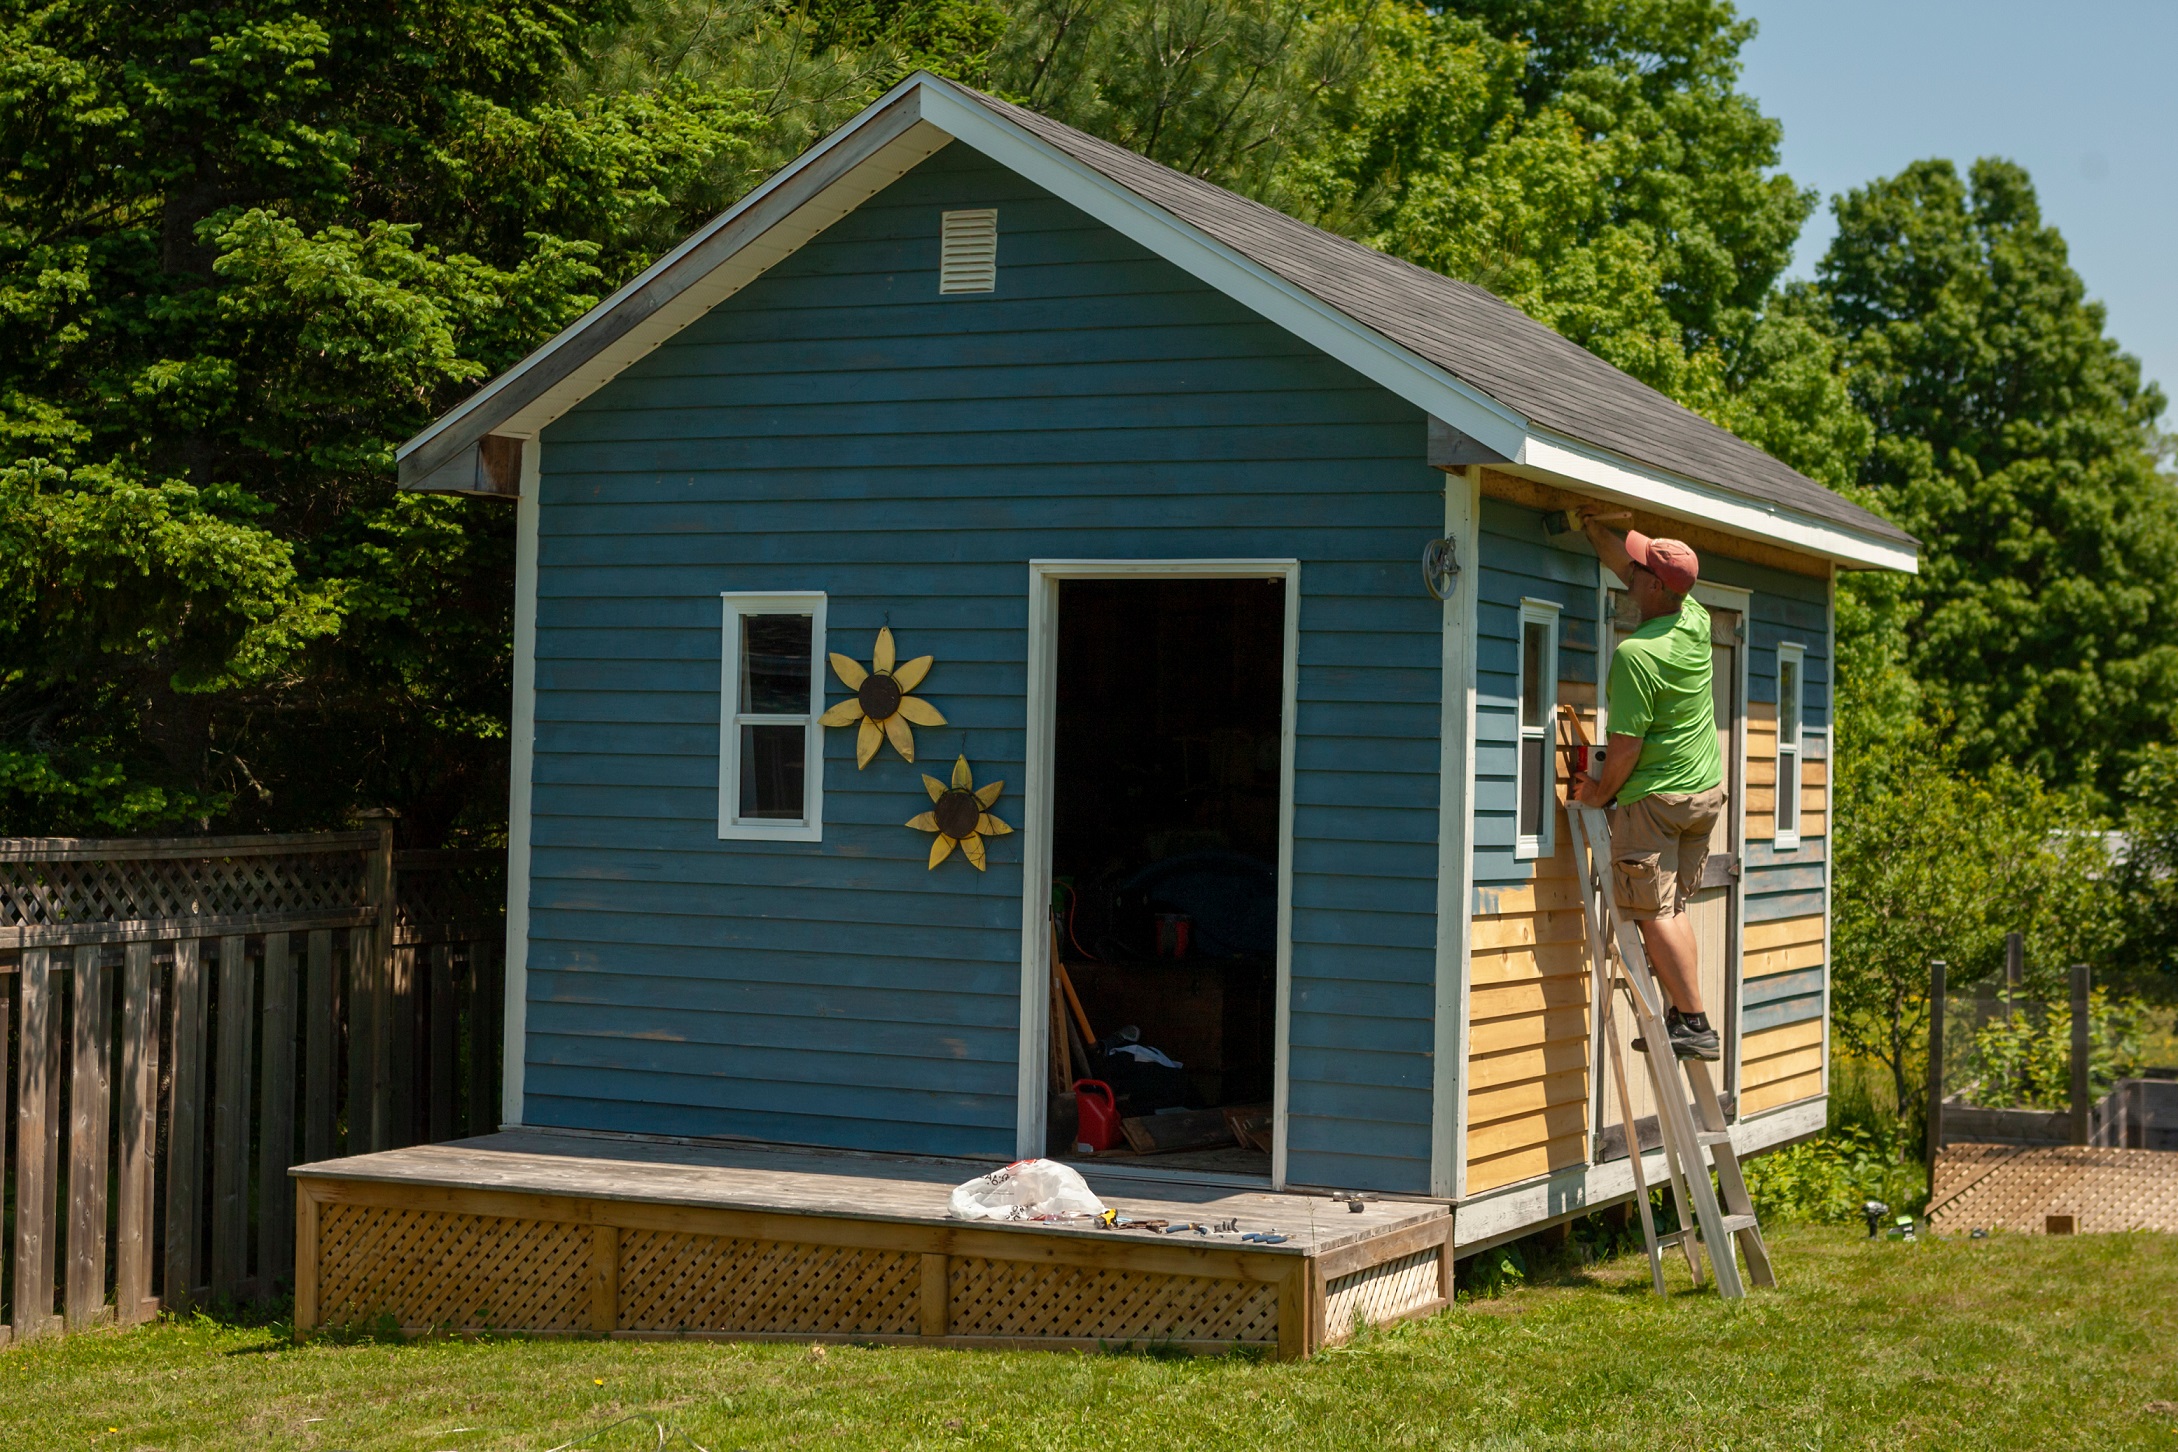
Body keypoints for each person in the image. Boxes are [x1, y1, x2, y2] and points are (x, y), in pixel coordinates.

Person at [1571, 509, 1725, 1061]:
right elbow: (1631, 568)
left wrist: (1597, 794)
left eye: (1639, 570)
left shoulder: (1637, 655)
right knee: (1674, 907)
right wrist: (1594, 532)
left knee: (1655, 913)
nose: (1629, 572)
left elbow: (1628, 749)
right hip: (1703, 793)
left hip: (1657, 800)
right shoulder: (1695, 619)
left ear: (1655, 585)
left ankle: (1696, 1023)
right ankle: (1688, 1013)